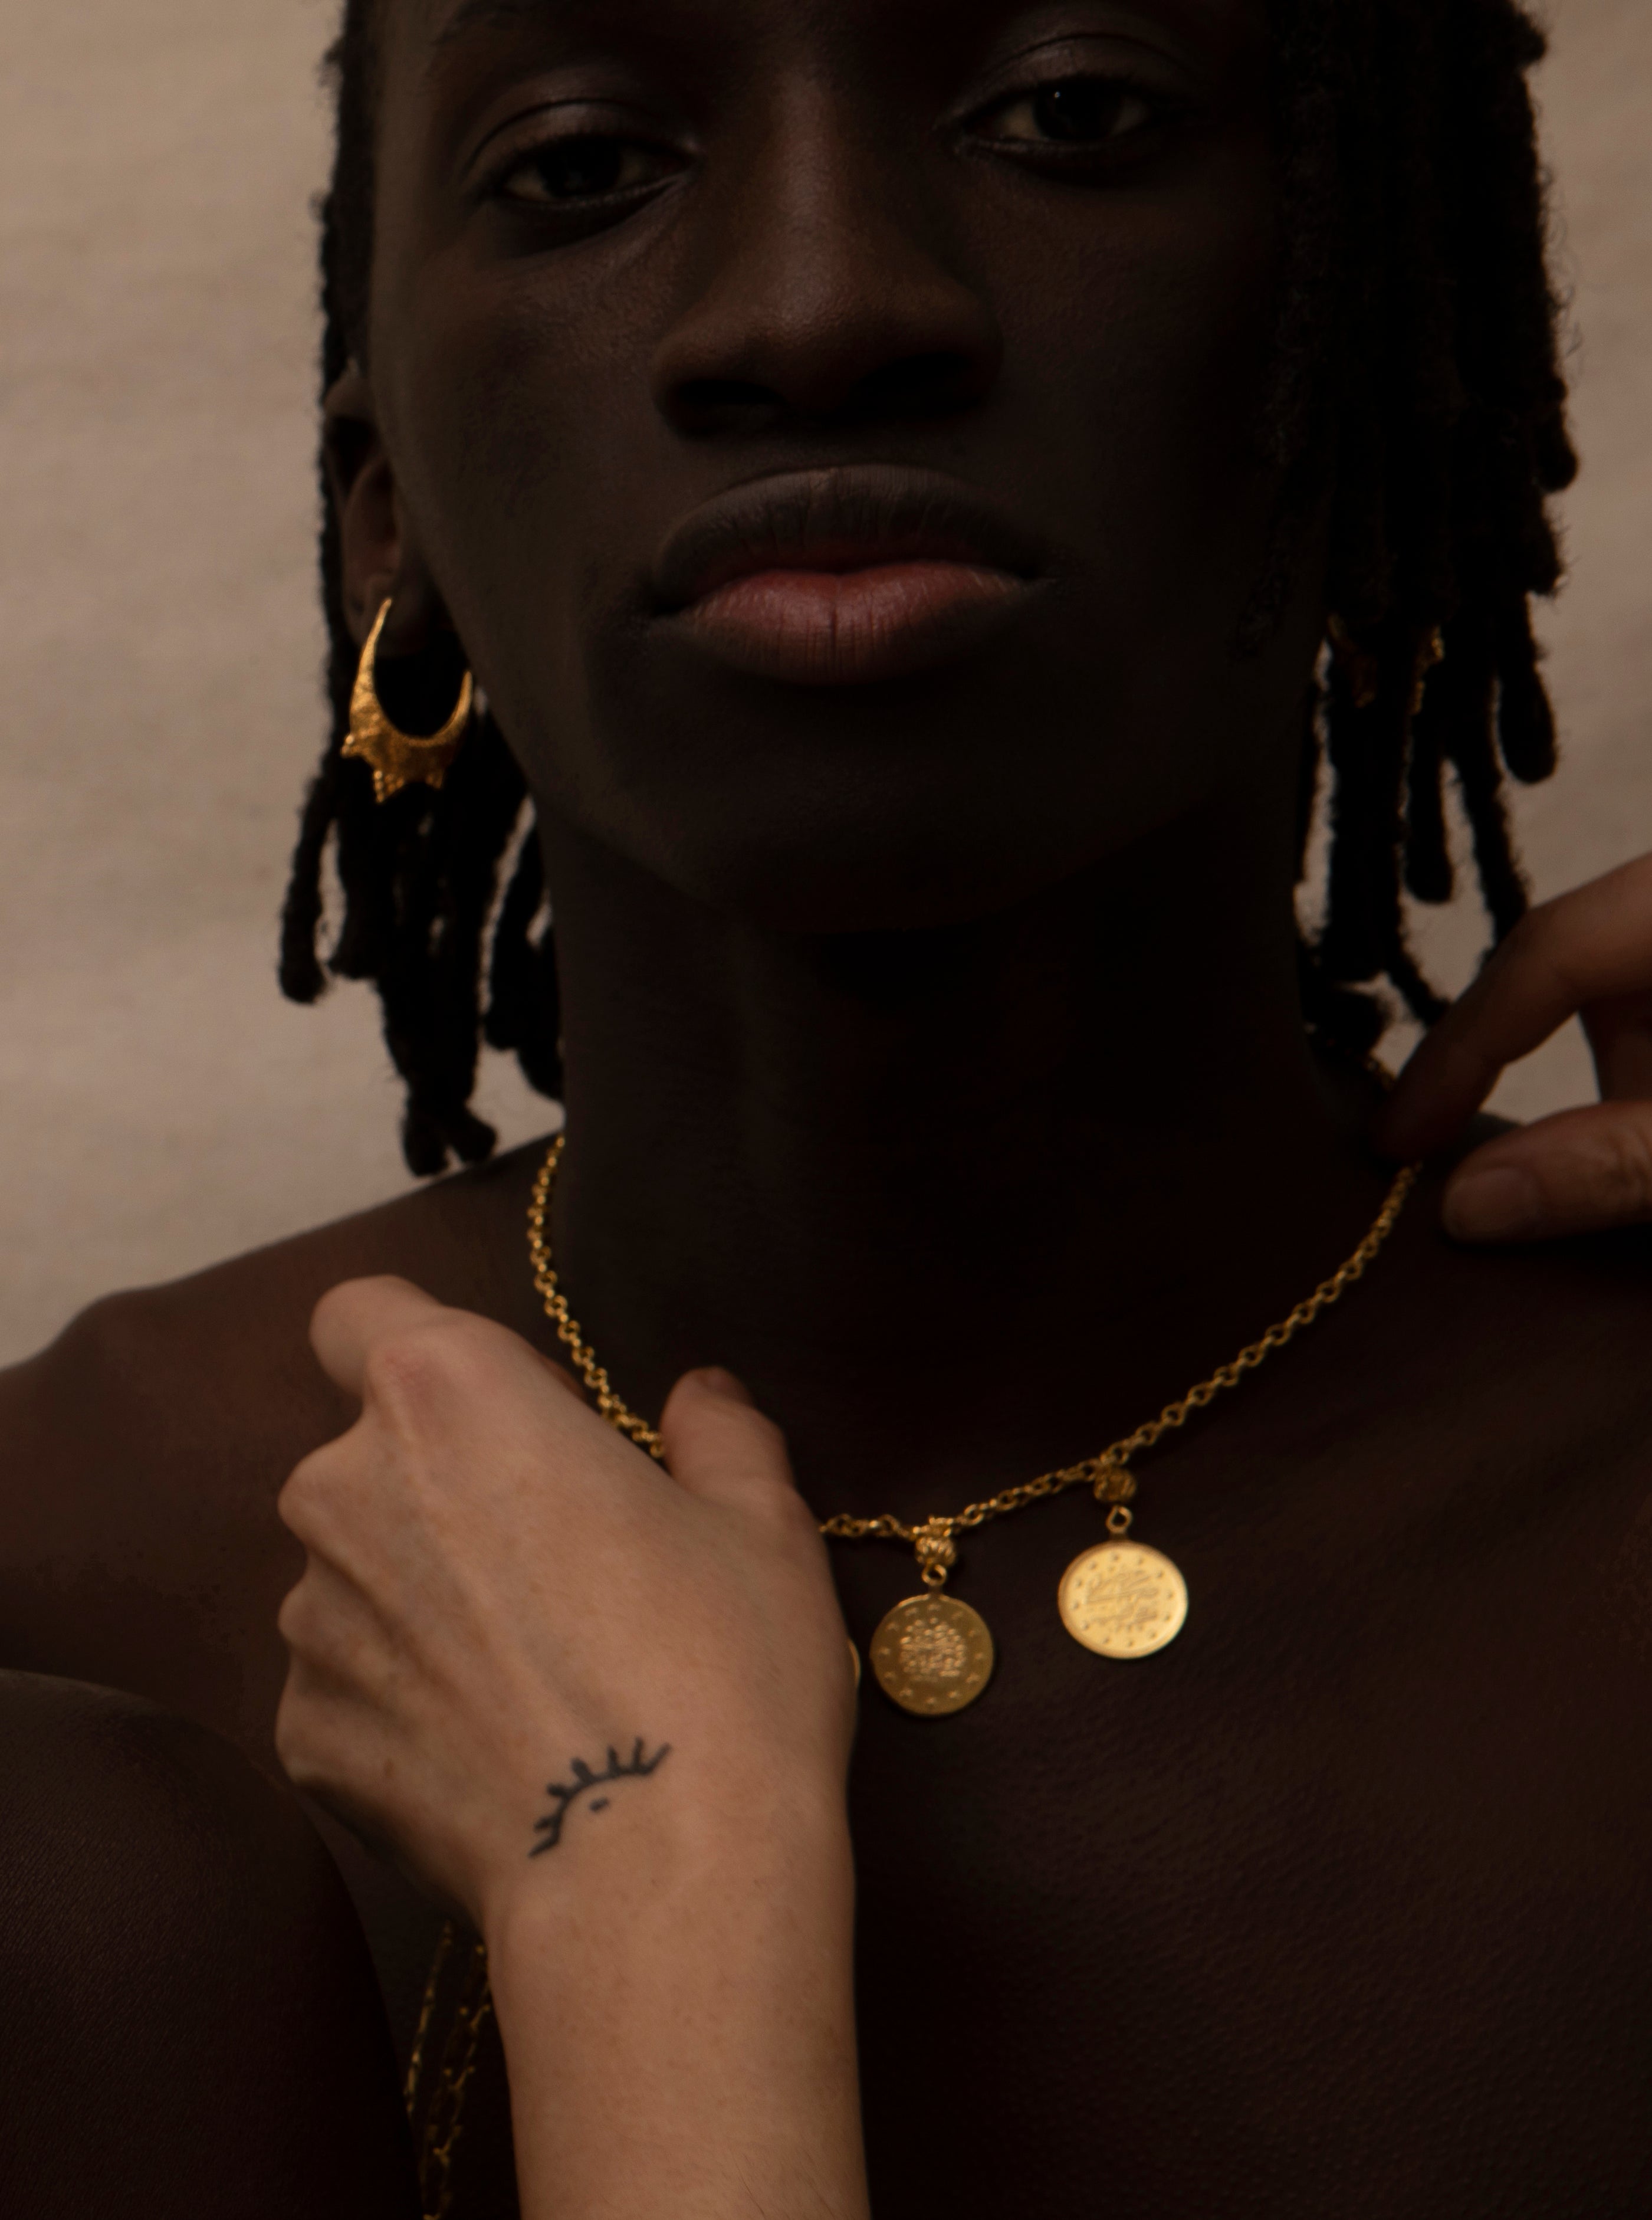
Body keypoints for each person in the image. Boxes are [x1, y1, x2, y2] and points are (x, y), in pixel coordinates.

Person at [4, 0, 1652, 2210]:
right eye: (580, 165)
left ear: (1374, 357)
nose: (816, 305)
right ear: (383, 505)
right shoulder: (47, 1608)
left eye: (1071, 112)